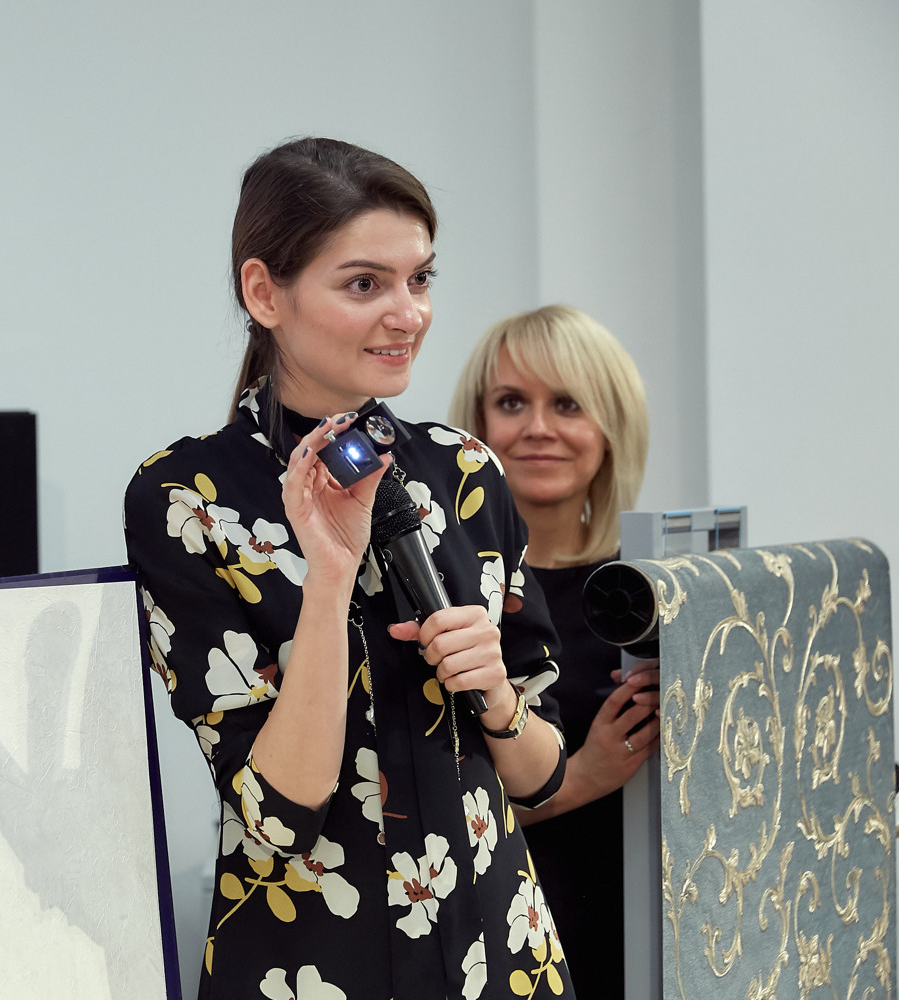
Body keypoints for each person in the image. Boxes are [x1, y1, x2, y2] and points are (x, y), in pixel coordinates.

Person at [124, 138, 574, 1000]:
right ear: (265, 293)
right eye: (365, 284)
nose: (408, 314)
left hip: (498, 950)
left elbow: (542, 775)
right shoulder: (187, 499)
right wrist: (328, 585)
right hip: (311, 962)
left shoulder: (467, 472)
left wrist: (499, 696)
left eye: (420, 279)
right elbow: (278, 816)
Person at [447, 304, 656, 999]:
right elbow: (435, 805)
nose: (538, 427)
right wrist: (586, 775)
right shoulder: (443, 599)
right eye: (512, 402)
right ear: (477, 426)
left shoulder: (652, 593)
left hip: (650, 937)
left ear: (610, 425)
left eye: (567, 404)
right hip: (504, 940)